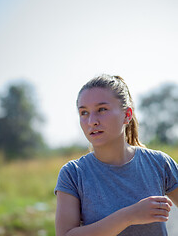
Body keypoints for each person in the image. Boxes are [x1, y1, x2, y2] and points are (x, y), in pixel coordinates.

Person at [54, 75, 178, 236]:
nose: (92, 121)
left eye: (102, 109)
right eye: (84, 112)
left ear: (127, 115)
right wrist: (130, 215)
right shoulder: (73, 173)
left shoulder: (159, 163)